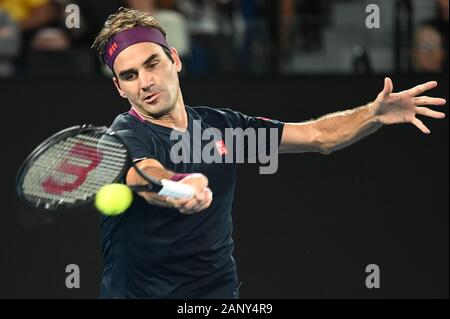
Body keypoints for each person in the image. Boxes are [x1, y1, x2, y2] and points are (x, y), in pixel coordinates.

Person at [91, 7, 446, 299]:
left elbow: (318, 135)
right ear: (120, 87)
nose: (146, 82)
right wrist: (176, 187)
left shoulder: (223, 128)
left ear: (175, 59)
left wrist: (373, 113)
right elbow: (143, 173)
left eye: (152, 64)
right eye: (130, 75)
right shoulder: (125, 133)